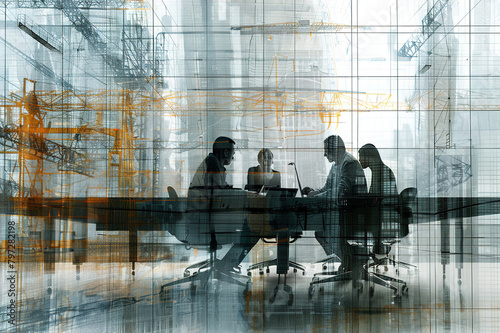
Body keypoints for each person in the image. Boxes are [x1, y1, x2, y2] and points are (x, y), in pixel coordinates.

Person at [307, 135, 367, 271]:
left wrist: (318, 197)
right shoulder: (336, 165)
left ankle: (349, 262)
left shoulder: (349, 163)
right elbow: (328, 187)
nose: (324, 154)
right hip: (342, 212)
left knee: (323, 231)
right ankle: (346, 260)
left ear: (335, 150)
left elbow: (341, 192)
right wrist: (314, 193)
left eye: (326, 150)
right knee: (320, 231)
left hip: (352, 214)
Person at [358, 143, 398, 254]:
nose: (359, 160)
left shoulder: (383, 172)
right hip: (381, 223)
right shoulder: (378, 171)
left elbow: (384, 200)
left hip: (384, 224)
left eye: (361, 157)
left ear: (369, 157)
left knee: (378, 254)